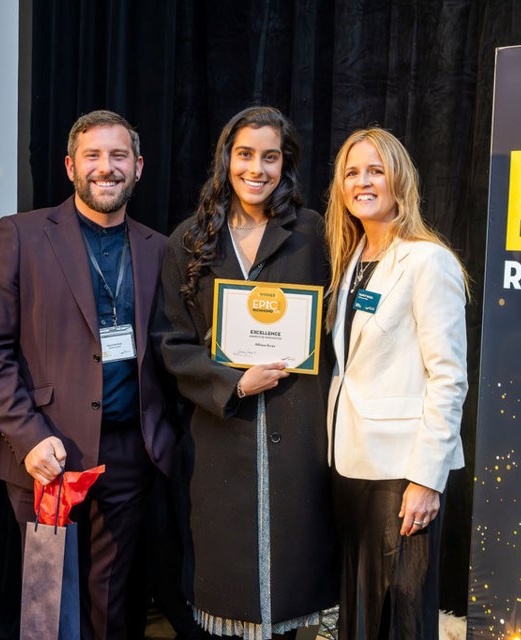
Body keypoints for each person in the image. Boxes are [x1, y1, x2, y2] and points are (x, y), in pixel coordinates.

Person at [0, 109, 177, 640]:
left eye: (118, 156)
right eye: (93, 155)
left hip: (131, 451)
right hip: (47, 451)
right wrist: (30, 438)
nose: (105, 168)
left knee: (114, 597)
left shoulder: (159, 248)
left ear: (138, 167)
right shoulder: (20, 234)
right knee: (50, 595)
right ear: (69, 166)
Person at [154, 106, 338, 639]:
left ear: (286, 163)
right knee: (223, 587)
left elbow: (332, 326)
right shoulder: (190, 240)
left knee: (290, 587)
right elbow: (172, 341)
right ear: (225, 160)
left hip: (296, 429)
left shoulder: (311, 234)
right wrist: (231, 381)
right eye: (245, 155)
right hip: (219, 437)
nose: (256, 169)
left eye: (270, 157)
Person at [323, 127, 468, 640]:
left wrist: (428, 479)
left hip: (404, 474)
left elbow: (449, 379)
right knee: (361, 613)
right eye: (352, 172)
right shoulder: (352, 259)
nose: (362, 182)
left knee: (402, 616)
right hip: (351, 465)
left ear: (398, 180)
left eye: (375, 170)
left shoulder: (428, 261)